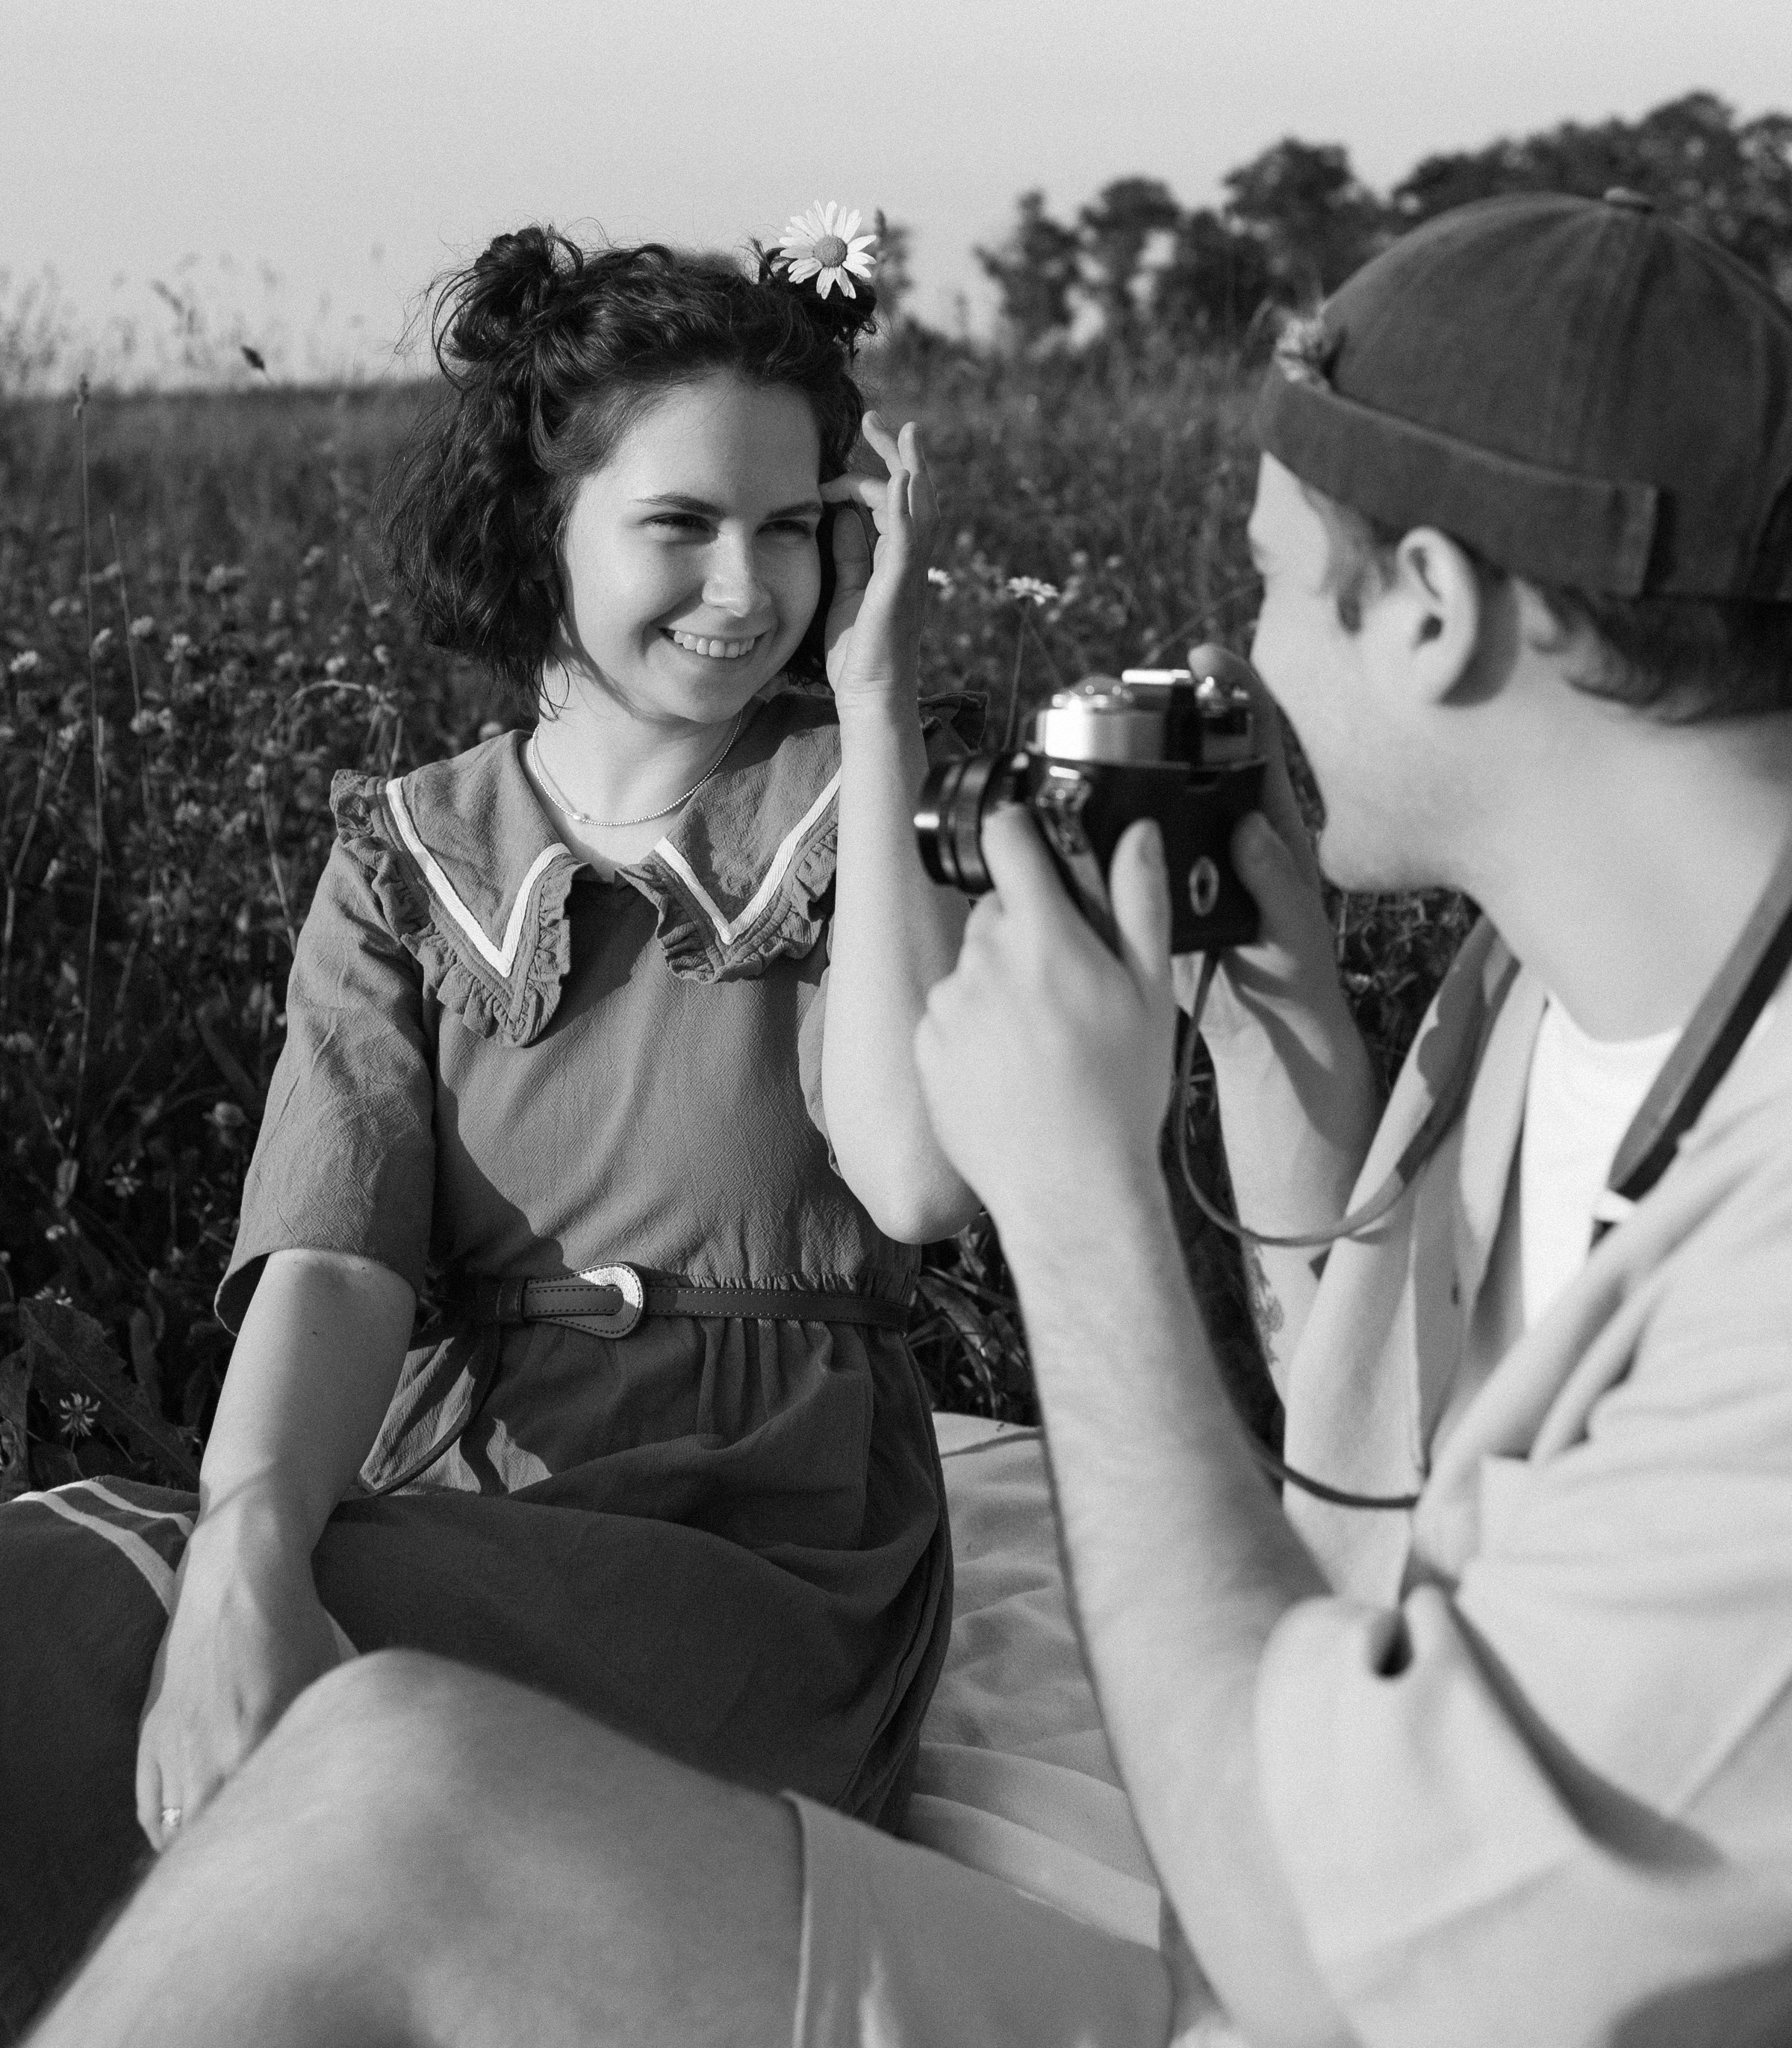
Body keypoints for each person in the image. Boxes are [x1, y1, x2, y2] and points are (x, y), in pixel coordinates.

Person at [33, 190, 1792, 2048]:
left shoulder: (1757, 1262)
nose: (1237, 667)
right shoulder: (1511, 1020)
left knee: (340, 1764)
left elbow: (1354, 1949)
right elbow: (1363, 1472)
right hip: (1253, 1896)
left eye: (1273, 580)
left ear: (1430, 609)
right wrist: (1270, 1026)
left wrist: (1082, 1204)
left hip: (1302, 1953)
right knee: (260, 1708)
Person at [0, 217, 984, 2036]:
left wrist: (874, 700)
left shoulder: (864, 803)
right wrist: (240, 1546)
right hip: (464, 1488)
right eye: (681, 525)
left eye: (793, 525)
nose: (744, 585)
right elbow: (336, 1260)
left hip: (755, 1538)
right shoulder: (406, 856)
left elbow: (915, 1179)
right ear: (541, 535)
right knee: (87, 1606)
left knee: (114, 1633)